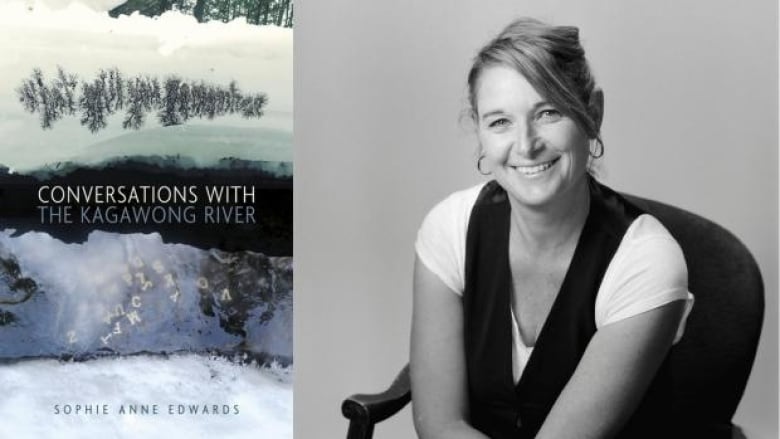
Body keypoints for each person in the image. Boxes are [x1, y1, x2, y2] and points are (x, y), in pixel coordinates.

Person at [410, 18, 694, 439]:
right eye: (499, 122)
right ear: (480, 132)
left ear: (592, 114)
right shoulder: (449, 228)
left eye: (548, 112)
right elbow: (439, 423)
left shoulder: (646, 261)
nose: (526, 145)